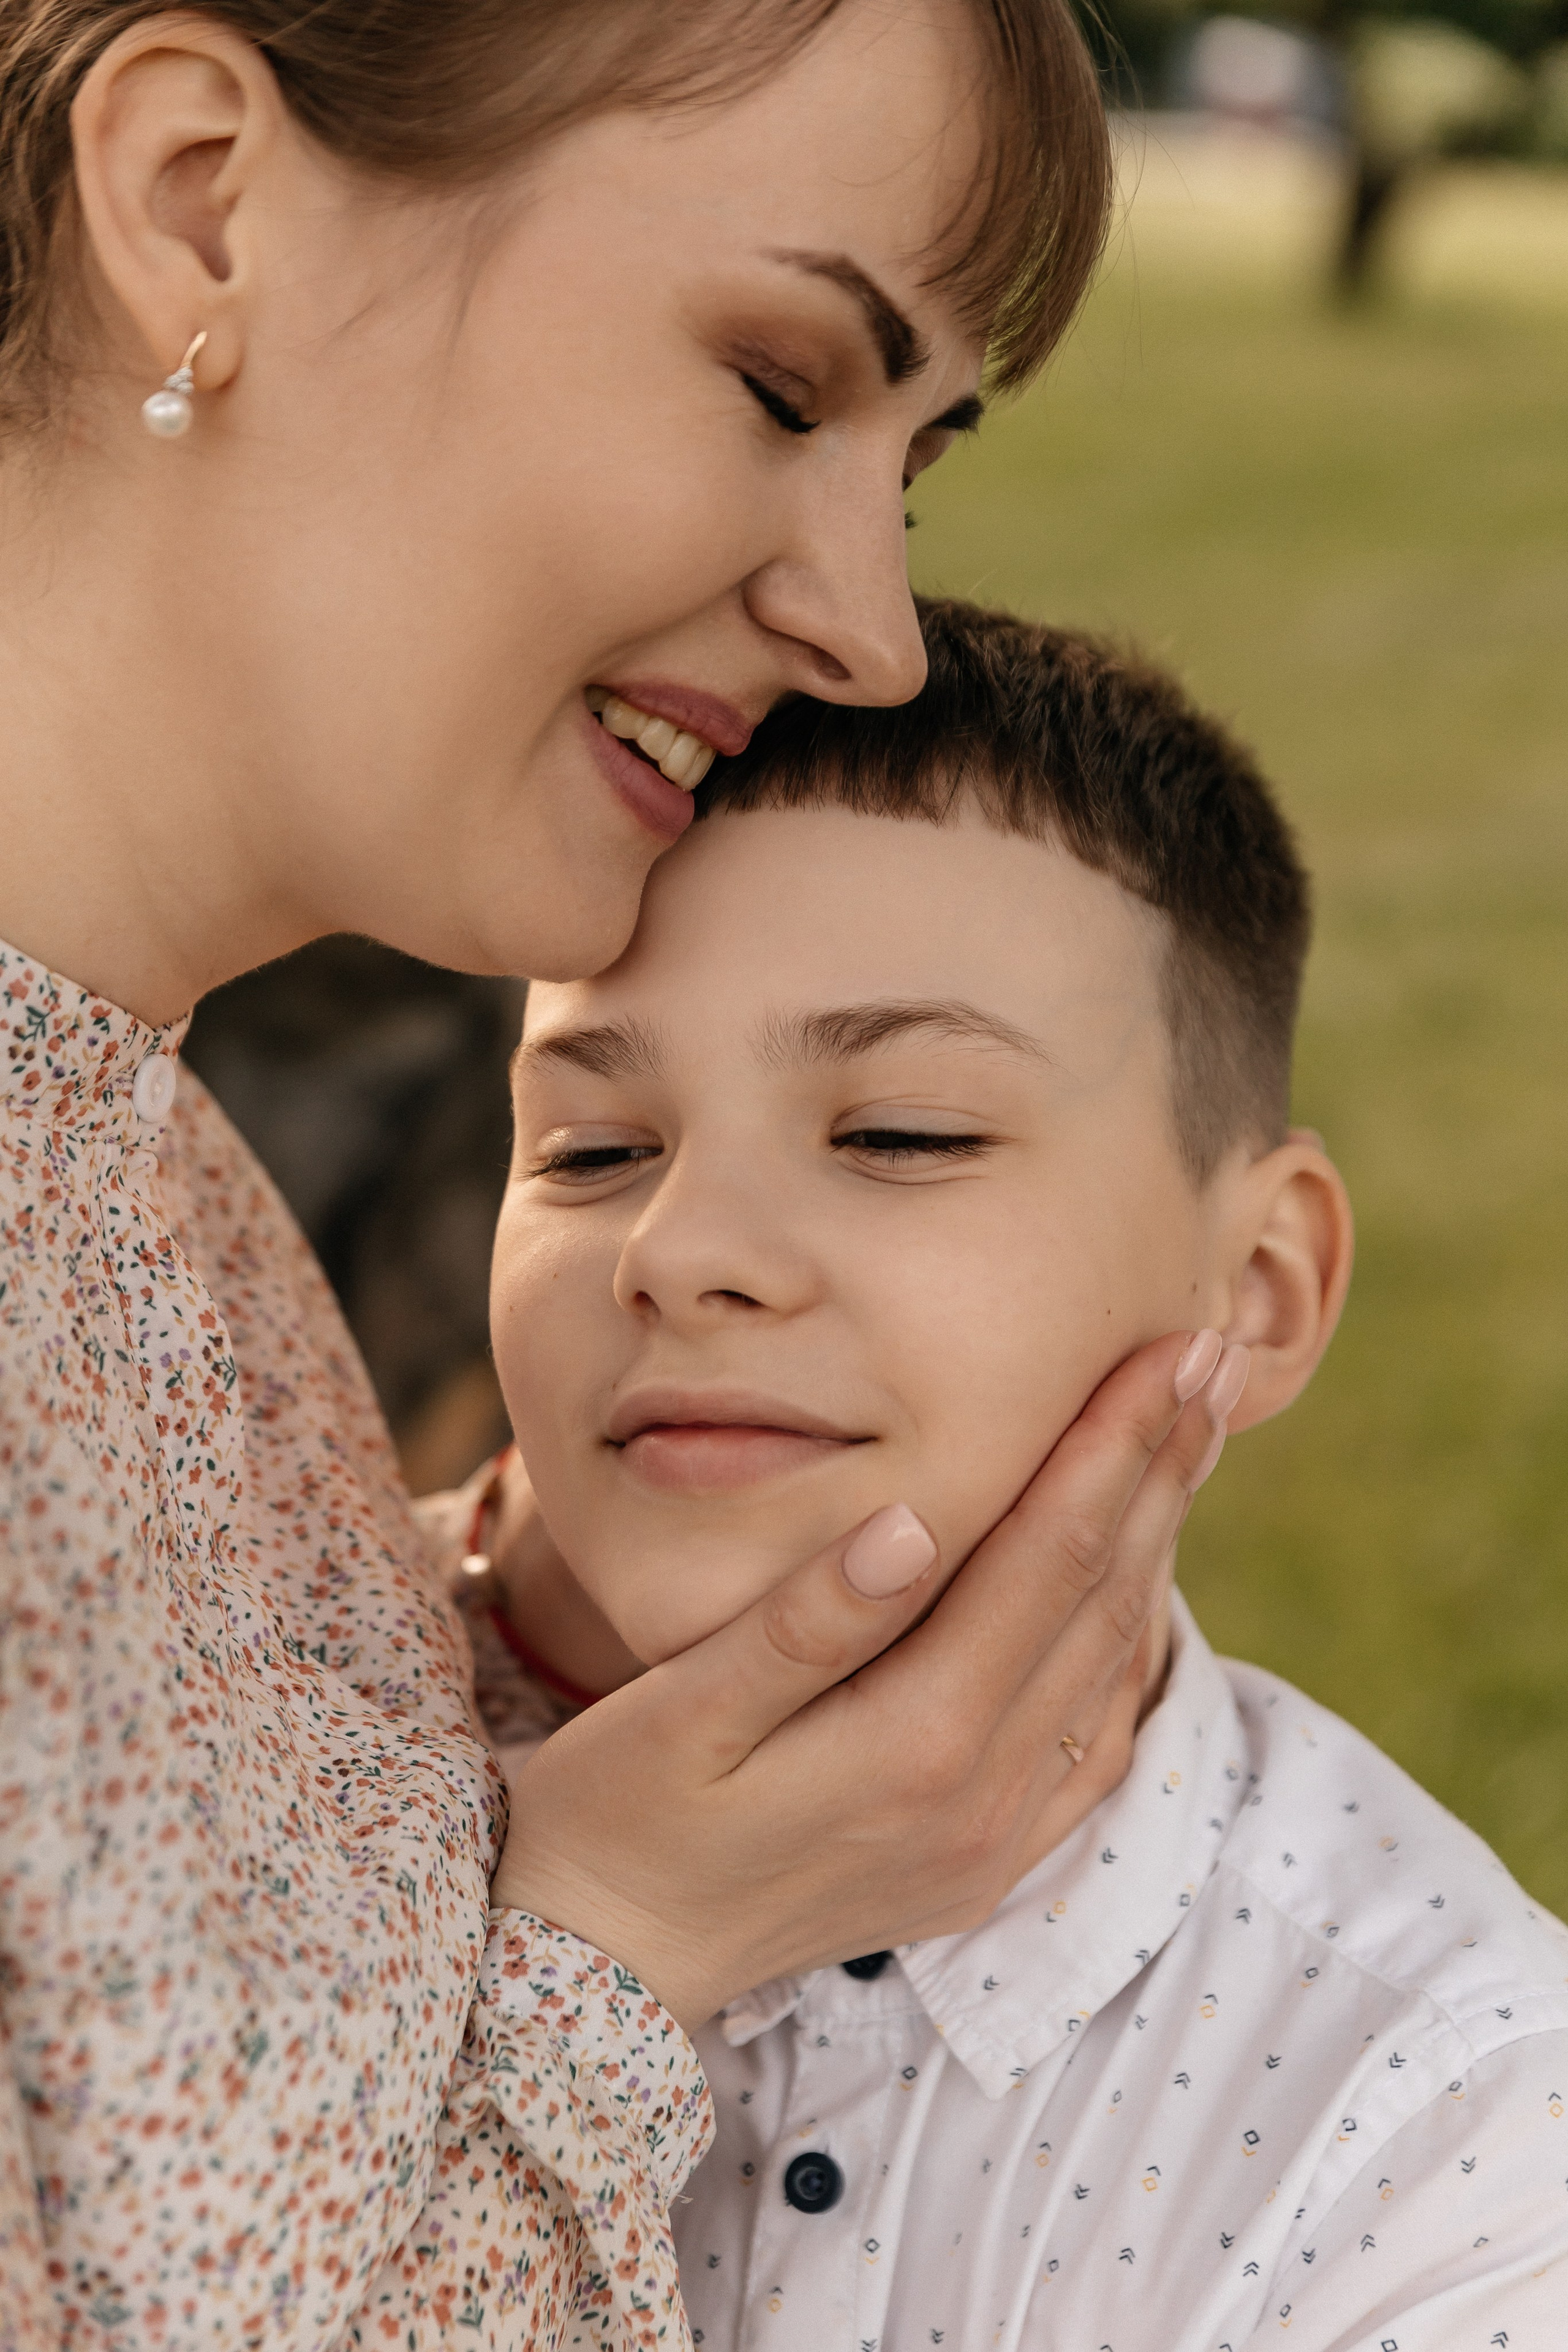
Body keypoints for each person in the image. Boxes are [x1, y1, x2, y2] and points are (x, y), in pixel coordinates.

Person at [0, 7, 1232, 2346]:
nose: (872, 631)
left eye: (909, 472)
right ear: (197, 201)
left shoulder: (149, 1177)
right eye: (778, 388)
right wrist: (622, 1940)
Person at [450, 601, 1568, 2350]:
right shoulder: (213, 1762)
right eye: (593, 1151)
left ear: (1260, 1286)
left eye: (900, 1132)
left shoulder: (1451, 2138)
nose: (678, 1251)